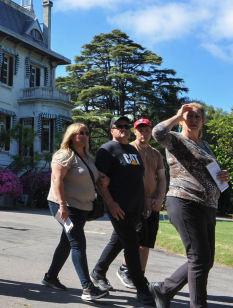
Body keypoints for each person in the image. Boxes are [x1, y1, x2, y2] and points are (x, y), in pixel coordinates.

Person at [148, 103, 230, 308]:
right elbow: (157, 132)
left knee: (205, 259)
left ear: (202, 121)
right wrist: (177, 115)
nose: (193, 120)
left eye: (197, 117)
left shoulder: (205, 145)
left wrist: (223, 176)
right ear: (182, 119)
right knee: (199, 258)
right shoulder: (175, 139)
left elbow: (210, 171)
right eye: (189, 116)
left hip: (208, 206)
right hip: (185, 201)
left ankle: (164, 290)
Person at [41, 123, 110, 301]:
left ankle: (50, 277)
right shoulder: (64, 155)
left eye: (87, 133)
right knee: (78, 242)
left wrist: (102, 178)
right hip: (64, 206)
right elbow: (57, 179)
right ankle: (87, 287)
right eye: (81, 132)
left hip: (82, 207)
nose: (85, 135)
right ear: (72, 136)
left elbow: (90, 176)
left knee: (67, 241)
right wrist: (63, 205)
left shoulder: (87, 157)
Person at [90, 116, 155, 306]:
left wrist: (144, 202)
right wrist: (110, 203)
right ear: (112, 129)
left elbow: (140, 178)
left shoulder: (132, 149)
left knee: (118, 241)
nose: (123, 129)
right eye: (119, 127)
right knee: (132, 245)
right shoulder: (106, 150)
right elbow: (100, 180)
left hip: (136, 206)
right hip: (119, 207)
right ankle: (142, 289)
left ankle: (98, 272)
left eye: (126, 126)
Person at [111, 119, 167, 290]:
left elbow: (162, 178)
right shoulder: (130, 150)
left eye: (147, 130)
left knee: (147, 241)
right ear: (135, 132)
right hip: (135, 203)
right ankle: (126, 269)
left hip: (153, 202)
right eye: (140, 130)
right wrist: (142, 200)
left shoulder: (156, 153)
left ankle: (140, 275)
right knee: (132, 238)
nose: (144, 133)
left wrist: (159, 199)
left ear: (151, 133)